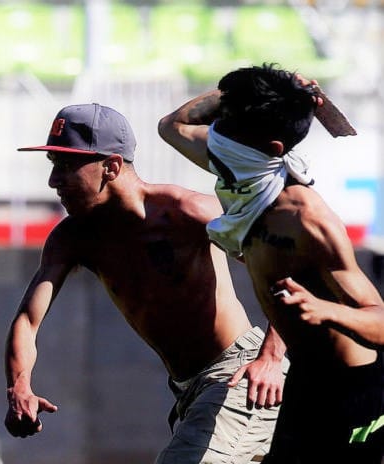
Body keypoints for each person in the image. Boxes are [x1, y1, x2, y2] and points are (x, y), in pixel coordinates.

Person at [4, 103, 288, 463]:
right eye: (53, 164)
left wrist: (271, 357)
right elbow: (27, 321)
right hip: (189, 391)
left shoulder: (186, 212)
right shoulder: (73, 238)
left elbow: (287, 267)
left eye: (66, 165)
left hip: (239, 375)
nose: (53, 181)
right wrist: (19, 386)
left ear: (111, 166)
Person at [158, 63, 384, 463]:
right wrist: (264, 93)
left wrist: (326, 310)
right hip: (305, 380)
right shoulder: (235, 167)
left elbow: (379, 322)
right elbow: (172, 125)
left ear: (273, 148)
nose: (215, 133)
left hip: (353, 390)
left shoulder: (305, 218)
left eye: (229, 126)